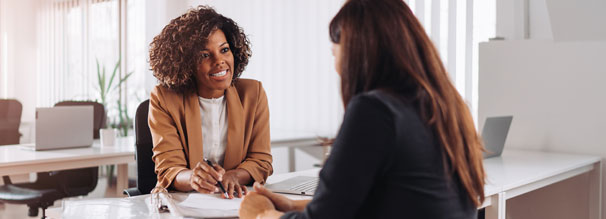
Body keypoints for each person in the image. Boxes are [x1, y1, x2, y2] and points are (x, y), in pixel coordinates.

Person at [239, 0, 485, 218]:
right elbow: (388, 202)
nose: (335, 66)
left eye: (334, 53)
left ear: (356, 53)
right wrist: (292, 206)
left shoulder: (375, 111)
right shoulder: (447, 107)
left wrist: (261, 214)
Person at [148, 6, 272, 199]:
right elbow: (169, 168)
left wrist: (234, 176)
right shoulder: (164, 98)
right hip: (182, 204)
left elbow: (261, 160)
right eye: (205, 55)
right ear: (186, 63)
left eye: (224, 50)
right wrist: (192, 178)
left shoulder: (253, 94)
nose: (219, 61)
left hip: (233, 201)